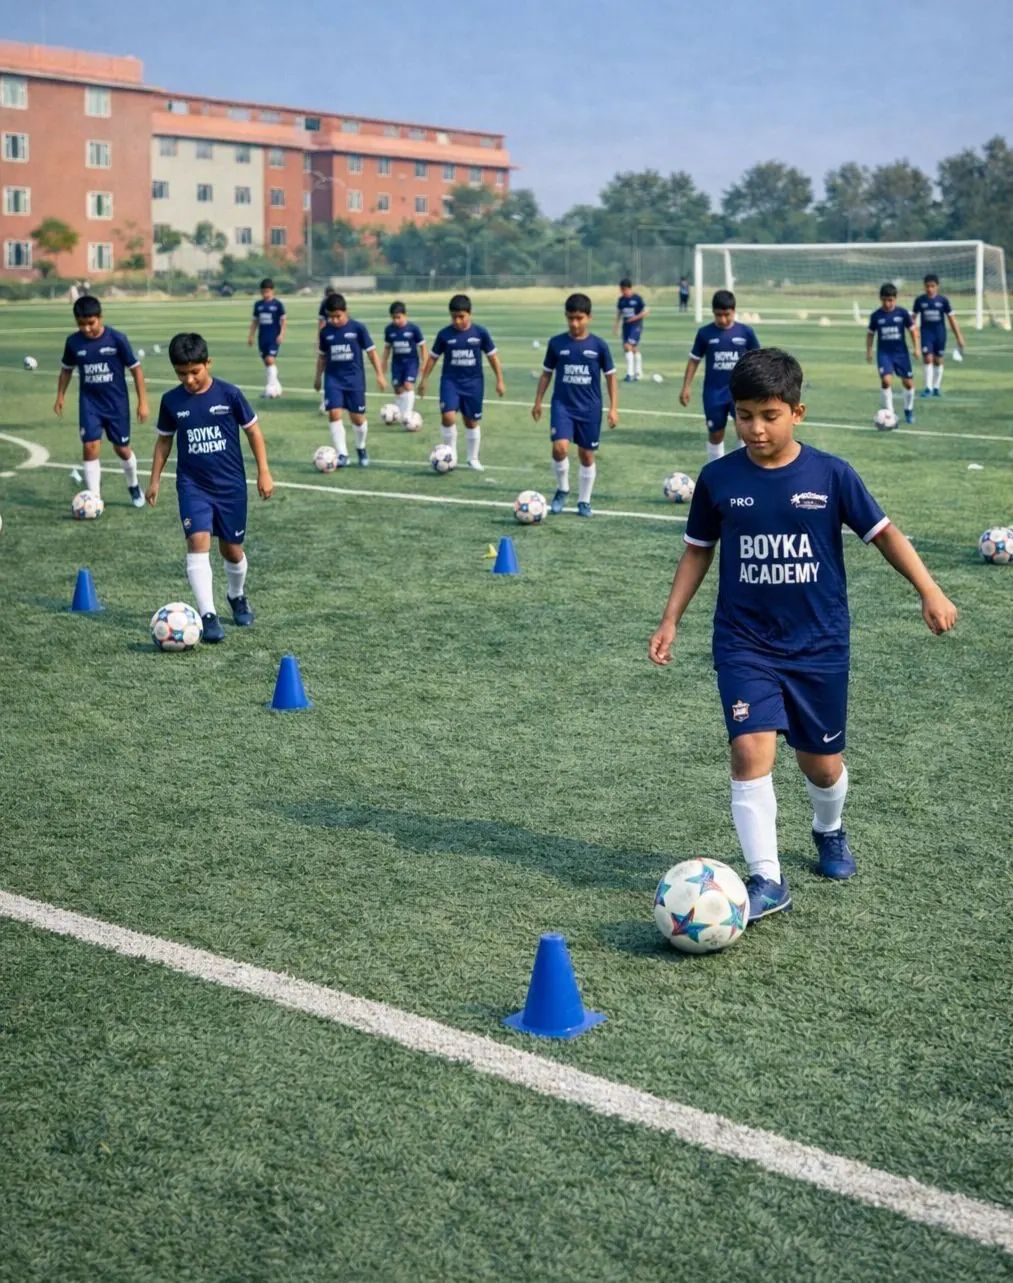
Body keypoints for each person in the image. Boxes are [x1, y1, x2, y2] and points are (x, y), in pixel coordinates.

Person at [648, 348, 957, 922]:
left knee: (822, 765)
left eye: (769, 415)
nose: (755, 429)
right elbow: (697, 552)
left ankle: (828, 828)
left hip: (819, 644)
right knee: (749, 748)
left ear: (797, 412)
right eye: (744, 416)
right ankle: (767, 877)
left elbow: (885, 534)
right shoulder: (718, 479)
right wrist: (671, 619)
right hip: (744, 641)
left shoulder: (831, 475)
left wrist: (929, 590)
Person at [146, 333, 273, 643]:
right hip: (193, 485)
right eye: (181, 374)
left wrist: (264, 472)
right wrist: (154, 479)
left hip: (231, 486)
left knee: (232, 549)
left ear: (208, 363)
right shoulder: (172, 401)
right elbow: (164, 442)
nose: (189, 380)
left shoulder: (229, 395)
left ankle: (236, 595)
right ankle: (208, 615)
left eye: (195, 372)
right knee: (197, 539)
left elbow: (253, 432)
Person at [54, 294, 149, 508]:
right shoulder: (73, 342)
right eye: (81, 324)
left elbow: (136, 370)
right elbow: (66, 370)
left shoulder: (117, 339)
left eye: (91, 323)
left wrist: (142, 402)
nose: (86, 328)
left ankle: (133, 485)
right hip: (90, 403)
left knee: (122, 448)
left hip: (116, 404)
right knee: (90, 446)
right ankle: (94, 498)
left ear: (100, 318)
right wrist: (60, 395)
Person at [531, 293, 618, 518]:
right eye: (571, 318)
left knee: (586, 455)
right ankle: (562, 489)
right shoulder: (557, 343)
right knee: (559, 448)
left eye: (579, 318)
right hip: (563, 406)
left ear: (589, 317)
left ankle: (584, 501)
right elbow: (546, 374)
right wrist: (538, 401)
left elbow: (610, 376)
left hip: (590, 408)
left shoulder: (599, 345)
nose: (575, 323)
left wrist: (613, 408)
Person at [418, 294, 505, 471]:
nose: (457, 321)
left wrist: (500, 380)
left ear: (470, 314)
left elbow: (492, 357)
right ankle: (451, 455)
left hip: (474, 384)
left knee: (471, 421)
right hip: (450, 382)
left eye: (461, 317)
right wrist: (424, 379)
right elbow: (433, 358)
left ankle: (473, 458)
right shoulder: (444, 334)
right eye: (454, 317)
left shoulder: (480, 333)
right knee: (448, 416)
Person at [680, 289, 760, 463]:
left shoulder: (746, 332)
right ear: (713, 312)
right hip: (714, 393)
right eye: (718, 315)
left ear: (734, 311)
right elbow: (694, 360)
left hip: (741, 392)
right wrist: (686, 387)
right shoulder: (705, 333)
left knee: (744, 431)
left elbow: (758, 360)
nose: (723, 319)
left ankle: (744, 471)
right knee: (716, 433)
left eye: (727, 315)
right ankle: (715, 470)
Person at [314, 293, 386, 467]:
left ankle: (361, 448)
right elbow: (322, 357)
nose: (334, 320)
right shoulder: (325, 332)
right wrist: (317, 377)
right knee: (334, 413)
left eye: (338, 316)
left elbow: (371, 352)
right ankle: (342, 454)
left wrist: (379, 374)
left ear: (346, 311)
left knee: (357, 418)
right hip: (333, 379)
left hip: (355, 380)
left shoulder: (358, 329)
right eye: (331, 317)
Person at [866, 283, 920, 425]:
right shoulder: (876, 316)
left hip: (901, 354)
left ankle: (908, 410)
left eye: (890, 300)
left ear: (895, 299)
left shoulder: (902, 313)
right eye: (884, 300)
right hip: (884, 354)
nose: (887, 303)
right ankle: (890, 414)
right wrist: (869, 351)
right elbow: (870, 334)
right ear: (880, 299)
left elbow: (913, 331)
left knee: (908, 384)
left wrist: (917, 348)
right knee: (886, 381)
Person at [912, 274, 965, 397]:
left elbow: (952, 319)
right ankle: (928, 388)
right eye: (927, 286)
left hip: (940, 334)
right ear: (924, 287)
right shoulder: (920, 301)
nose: (930, 289)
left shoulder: (943, 301)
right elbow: (913, 318)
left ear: (937, 287)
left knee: (938, 360)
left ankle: (936, 387)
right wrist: (914, 331)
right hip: (926, 334)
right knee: (927, 358)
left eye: (932, 286)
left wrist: (959, 337)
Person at [382, 301, 427, 425]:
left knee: (408, 385)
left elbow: (423, 346)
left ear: (405, 315)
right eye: (393, 318)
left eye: (398, 317)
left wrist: (424, 362)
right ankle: (398, 414)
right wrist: (384, 362)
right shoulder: (389, 330)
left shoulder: (413, 329)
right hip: (397, 363)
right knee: (398, 389)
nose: (396, 320)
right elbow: (387, 348)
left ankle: (407, 415)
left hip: (411, 363)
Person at [247, 277, 286, 397]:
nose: (265, 294)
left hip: (273, 337)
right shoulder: (258, 305)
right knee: (267, 363)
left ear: (272, 291)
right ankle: (277, 388)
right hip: (262, 338)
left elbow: (283, 321)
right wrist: (251, 335)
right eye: (263, 292)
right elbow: (255, 321)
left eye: (267, 291)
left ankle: (270, 389)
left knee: (270, 360)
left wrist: (281, 334)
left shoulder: (277, 305)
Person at [613, 278, 649, 381]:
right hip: (626, 327)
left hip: (636, 326)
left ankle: (630, 374)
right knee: (631, 348)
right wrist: (616, 325)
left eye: (623, 289)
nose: (622, 292)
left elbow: (646, 311)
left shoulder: (637, 299)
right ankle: (639, 372)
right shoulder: (621, 300)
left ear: (629, 288)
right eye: (621, 289)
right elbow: (619, 313)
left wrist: (635, 318)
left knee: (628, 346)